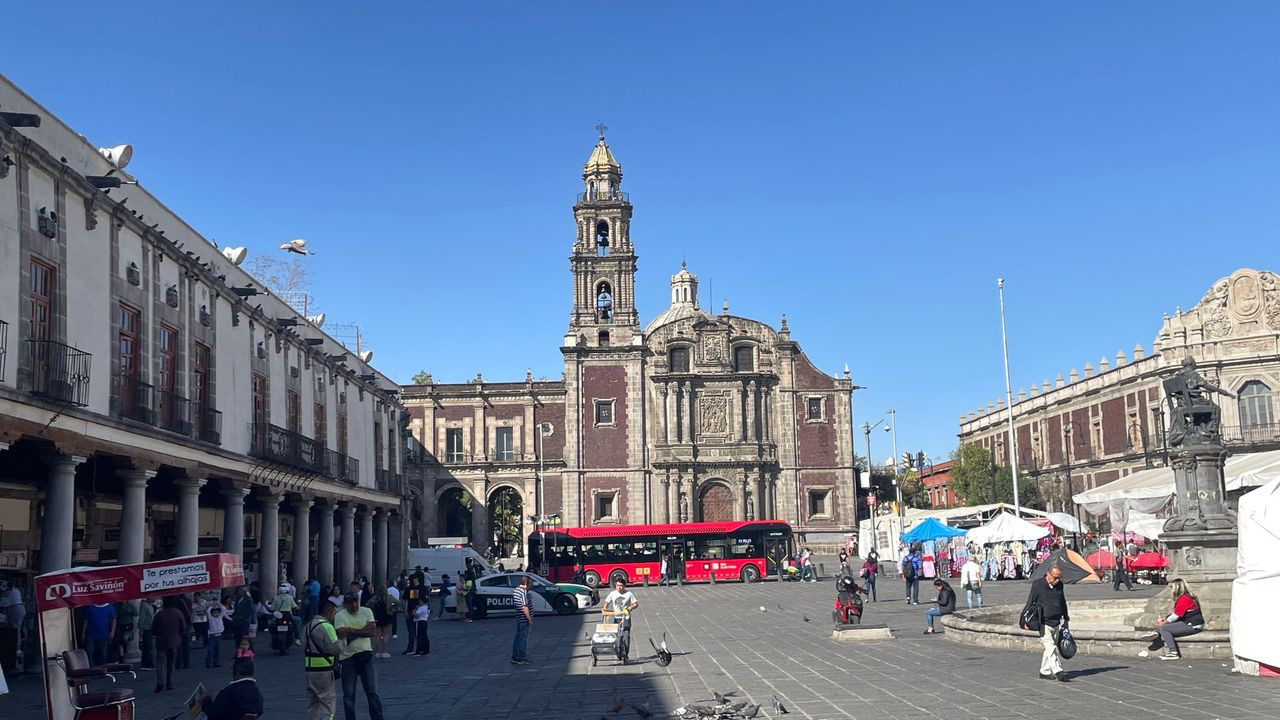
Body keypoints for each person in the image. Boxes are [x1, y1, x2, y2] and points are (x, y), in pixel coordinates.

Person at [336, 593, 384, 720]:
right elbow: (341, 635)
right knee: (348, 694)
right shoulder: (339, 615)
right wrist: (364, 630)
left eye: (356, 601)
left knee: (372, 692)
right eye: (351, 602)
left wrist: (350, 630)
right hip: (347, 659)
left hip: (365, 655)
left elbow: (372, 632)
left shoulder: (367, 611)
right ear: (345, 604)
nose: (354, 605)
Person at [1023, 564, 1070, 681]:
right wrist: (1024, 620)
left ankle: (1044, 671)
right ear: (1048, 574)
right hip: (1043, 621)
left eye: (1059, 578)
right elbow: (1030, 602)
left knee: (1049, 648)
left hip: (1056, 620)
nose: (1057, 580)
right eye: (1055, 577)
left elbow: (1062, 601)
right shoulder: (1038, 585)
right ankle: (1058, 670)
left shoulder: (1060, 585)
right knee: (1050, 646)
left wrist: (1066, 617)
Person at [304, 599, 342, 720]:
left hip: (310, 669)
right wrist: (343, 641)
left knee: (313, 702)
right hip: (324, 669)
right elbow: (334, 648)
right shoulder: (327, 626)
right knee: (327, 701)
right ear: (329, 612)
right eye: (334, 613)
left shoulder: (307, 626)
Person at [1149, 578, 1205, 660]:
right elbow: (1176, 614)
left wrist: (1163, 623)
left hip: (1193, 625)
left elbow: (1175, 616)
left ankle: (1173, 652)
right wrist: (1165, 619)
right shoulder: (1189, 597)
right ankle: (1156, 632)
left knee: (1164, 628)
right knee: (1164, 627)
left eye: (1172, 588)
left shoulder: (1184, 599)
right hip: (1193, 623)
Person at [197, 657, 263, 720]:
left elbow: (213, 714)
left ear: (236, 672)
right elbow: (259, 711)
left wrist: (206, 699)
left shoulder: (229, 692)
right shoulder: (256, 691)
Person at [152, 597, 186, 693]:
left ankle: (160, 683)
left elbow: (153, 628)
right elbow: (183, 628)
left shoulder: (160, 614)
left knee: (160, 663)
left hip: (161, 641)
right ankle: (170, 683)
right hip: (174, 641)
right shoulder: (178, 613)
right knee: (171, 663)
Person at [81, 601, 117, 666]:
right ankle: (91, 668)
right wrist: (83, 633)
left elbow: (114, 620)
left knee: (103, 653)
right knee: (89, 651)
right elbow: (86, 620)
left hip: (104, 633)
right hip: (91, 633)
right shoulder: (90, 607)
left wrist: (112, 632)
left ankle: (103, 667)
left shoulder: (109, 607)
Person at [511, 575, 533, 665]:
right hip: (524, 618)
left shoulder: (516, 590)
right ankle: (522, 658)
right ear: (526, 584)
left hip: (519, 618)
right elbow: (525, 606)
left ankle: (515, 657)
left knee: (517, 638)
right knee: (523, 639)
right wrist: (529, 619)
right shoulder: (523, 592)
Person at [369, 583, 395, 658]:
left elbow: (368, 604)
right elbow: (398, 603)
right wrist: (392, 609)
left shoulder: (375, 598)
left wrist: (373, 612)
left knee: (377, 636)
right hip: (387, 617)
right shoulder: (389, 597)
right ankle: (385, 652)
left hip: (378, 617)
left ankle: (377, 652)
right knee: (386, 635)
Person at [271, 582, 300, 646]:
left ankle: (273, 636)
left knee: (271, 625)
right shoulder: (290, 598)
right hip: (288, 615)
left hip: (278, 615)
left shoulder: (276, 598)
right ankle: (297, 639)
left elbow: (272, 608)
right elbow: (294, 607)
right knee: (295, 624)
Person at [232, 586, 255, 651]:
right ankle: (238, 652)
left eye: (240, 591)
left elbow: (250, 610)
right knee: (237, 638)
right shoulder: (238, 599)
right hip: (237, 620)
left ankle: (249, 651)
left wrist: (244, 618)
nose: (238, 592)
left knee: (245, 637)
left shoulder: (248, 599)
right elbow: (236, 609)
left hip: (245, 621)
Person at [137, 596, 156, 670]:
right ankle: (148, 664)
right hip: (146, 628)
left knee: (147, 647)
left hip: (149, 628)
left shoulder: (149, 606)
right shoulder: (145, 606)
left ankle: (145, 664)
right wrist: (141, 628)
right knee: (148, 647)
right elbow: (142, 617)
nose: (155, 598)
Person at [205, 604, 225, 668]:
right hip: (212, 636)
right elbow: (208, 611)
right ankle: (209, 663)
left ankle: (216, 662)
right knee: (211, 650)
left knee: (217, 650)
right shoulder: (211, 618)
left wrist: (218, 604)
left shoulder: (220, 617)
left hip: (219, 635)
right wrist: (211, 606)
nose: (216, 614)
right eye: (214, 613)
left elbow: (223, 609)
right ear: (212, 614)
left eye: (217, 613)